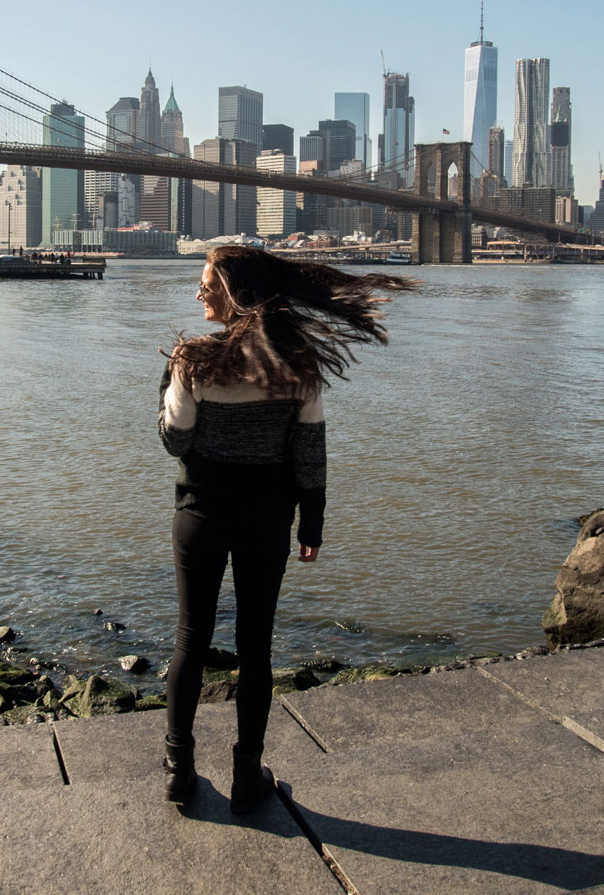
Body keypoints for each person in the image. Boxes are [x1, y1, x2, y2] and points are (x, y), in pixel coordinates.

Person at [158, 244, 413, 812]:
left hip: (199, 513)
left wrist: (168, 388)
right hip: (267, 519)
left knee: (190, 639)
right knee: (255, 646)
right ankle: (248, 777)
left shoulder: (192, 360)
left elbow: (175, 441)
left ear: (236, 294)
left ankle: (178, 770)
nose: (200, 294)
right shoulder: (297, 366)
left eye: (208, 285)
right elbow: (309, 455)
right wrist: (313, 524)